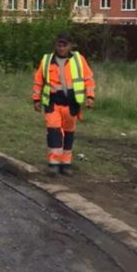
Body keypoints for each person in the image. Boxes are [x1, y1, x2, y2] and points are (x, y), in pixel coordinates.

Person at [32, 32, 95, 175]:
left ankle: (66, 164)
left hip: (71, 104)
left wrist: (90, 96)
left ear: (70, 46)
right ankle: (54, 163)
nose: (61, 48)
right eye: (59, 45)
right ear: (55, 45)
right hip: (52, 103)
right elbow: (38, 81)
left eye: (64, 45)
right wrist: (36, 99)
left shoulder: (79, 60)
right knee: (54, 131)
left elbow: (88, 79)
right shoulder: (47, 60)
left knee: (68, 133)